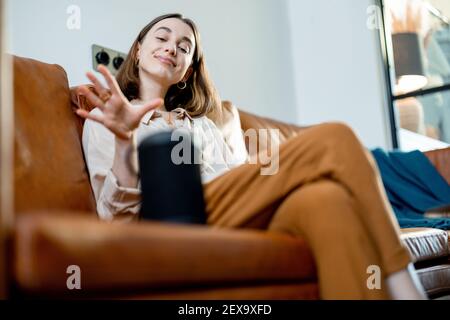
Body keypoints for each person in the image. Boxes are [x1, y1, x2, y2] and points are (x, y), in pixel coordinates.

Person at [76, 13, 427, 300]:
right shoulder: (108, 116)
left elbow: (240, 182)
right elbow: (115, 220)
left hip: (234, 210)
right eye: (162, 38)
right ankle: (404, 282)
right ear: (138, 50)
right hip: (176, 220)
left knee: (326, 201)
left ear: (188, 72)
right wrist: (124, 139)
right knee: (334, 138)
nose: (172, 48)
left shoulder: (204, 127)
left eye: (185, 47)